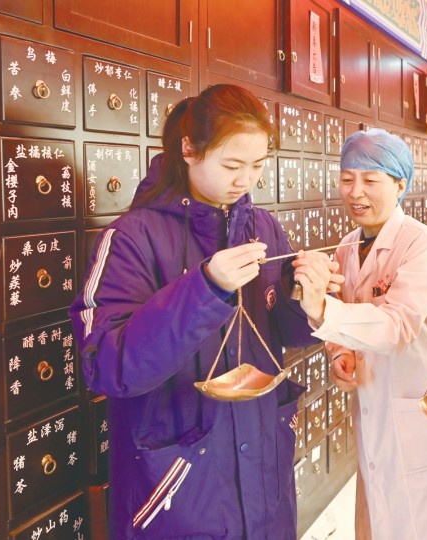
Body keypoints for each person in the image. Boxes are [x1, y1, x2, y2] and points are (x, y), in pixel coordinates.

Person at [69, 84, 340, 539]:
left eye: (257, 165)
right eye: (232, 165)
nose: (246, 180)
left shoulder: (263, 227)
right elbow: (107, 367)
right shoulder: (132, 238)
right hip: (178, 488)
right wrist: (205, 289)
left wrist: (308, 301)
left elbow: (286, 332)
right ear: (189, 150)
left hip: (263, 476)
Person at [291, 128, 427, 540]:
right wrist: (338, 353)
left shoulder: (422, 244)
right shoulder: (348, 246)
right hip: (376, 410)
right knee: (382, 516)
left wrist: (322, 309)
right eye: (347, 179)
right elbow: (345, 319)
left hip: (425, 408)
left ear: (400, 185)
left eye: (370, 180)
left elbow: (397, 327)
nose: (355, 192)